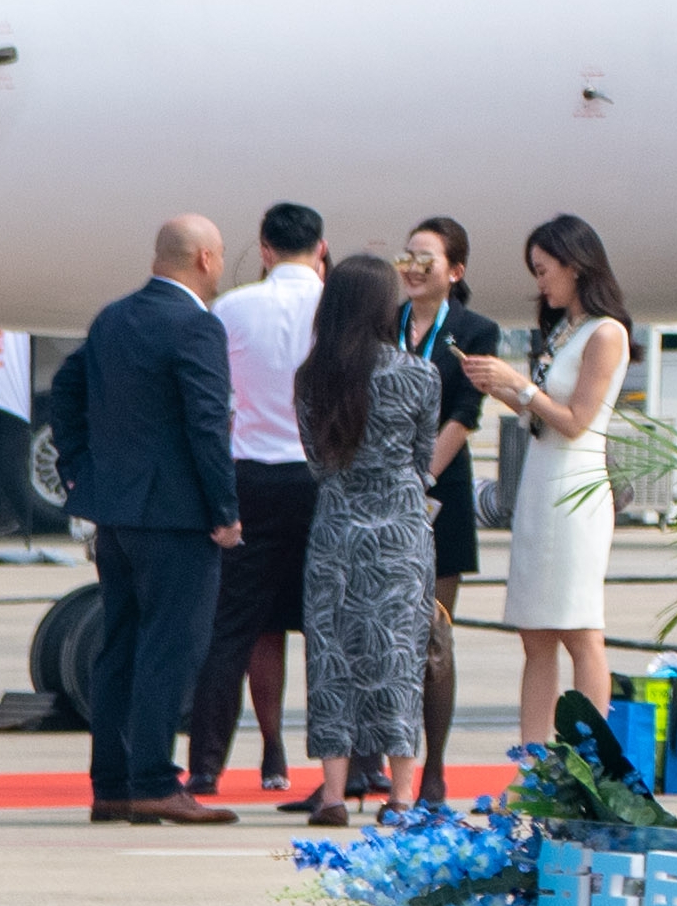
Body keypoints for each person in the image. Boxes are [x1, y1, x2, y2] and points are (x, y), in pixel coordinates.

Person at [46, 216, 242, 827]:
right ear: (206, 260)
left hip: (118, 513)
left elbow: (65, 388)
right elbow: (207, 426)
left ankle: (112, 783)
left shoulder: (114, 318)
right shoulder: (196, 327)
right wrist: (225, 510)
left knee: (121, 647)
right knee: (171, 647)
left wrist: (83, 468)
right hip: (178, 516)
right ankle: (155, 780)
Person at [455, 215, 634, 766]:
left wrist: (520, 387)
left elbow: (577, 419)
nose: (541, 283)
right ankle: (533, 762)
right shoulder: (563, 330)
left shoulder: (606, 332)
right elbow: (544, 414)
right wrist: (501, 387)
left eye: (544, 270)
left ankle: (591, 760)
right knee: (535, 631)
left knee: (579, 626)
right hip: (540, 477)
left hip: (575, 483)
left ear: (575, 267)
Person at [287, 253, 437, 823]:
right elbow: (422, 461)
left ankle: (331, 794)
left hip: (336, 526)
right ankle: (400, 795)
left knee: (330, 655)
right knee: (398, 656)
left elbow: (316, 463)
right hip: (399, 531)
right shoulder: (419, 373)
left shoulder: (312, 377)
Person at [192, 201, 328, 800]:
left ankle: (216, 761)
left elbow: (214, 397)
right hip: (319, 477)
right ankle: (346, 762)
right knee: (329, 625)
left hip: (249, 475)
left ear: (265, 250)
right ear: (320, 249)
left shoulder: (232, 307)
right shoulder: (337, 308)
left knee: (239, 629)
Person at [389, 217, 495, 782]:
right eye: (407, 255)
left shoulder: (475, 331)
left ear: (454, 271)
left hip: (437, 491)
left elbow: (465, 415)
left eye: (425, 258)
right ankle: (374, 764)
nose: (412, 267)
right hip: (382, 490)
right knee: (381, 634)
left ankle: (433, 768)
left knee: (433, 631)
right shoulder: (386, 323)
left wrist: (420, 474)